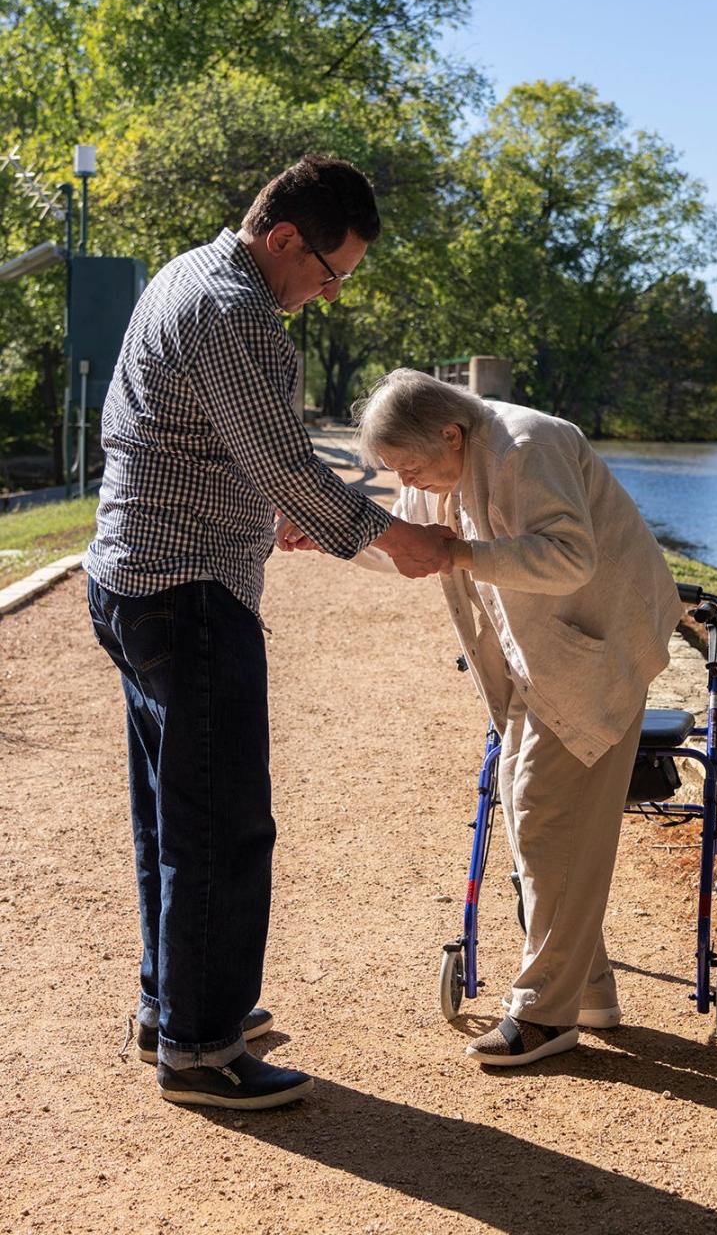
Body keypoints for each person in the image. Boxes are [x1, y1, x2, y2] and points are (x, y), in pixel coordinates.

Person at [85, 158, 453, 1110]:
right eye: (330, 275)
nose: (325, 298)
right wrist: (390, 537)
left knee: (172, 814)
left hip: (131, 579)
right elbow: (287, 460)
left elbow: (215, 442)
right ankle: (203, 1050)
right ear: (284, 239)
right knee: (223, 825)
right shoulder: (239, 308)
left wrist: (270, 504)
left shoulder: (183, 274)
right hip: (189, 594)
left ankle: (173, 1004)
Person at [278, 367, 682, 1068]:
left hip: (594, 644)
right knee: (537, 815)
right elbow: (416, 549)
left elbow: (570, 556)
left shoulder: (528, 446)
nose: (408, 482)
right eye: (394, 470)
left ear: (451, 432)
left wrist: (460, 552)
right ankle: (587, 990)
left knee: (545, 812)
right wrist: (332, 536)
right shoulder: (444, 462)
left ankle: (545, 1015)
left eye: (410, 467)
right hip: (539, 654)